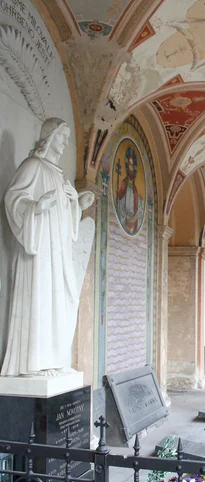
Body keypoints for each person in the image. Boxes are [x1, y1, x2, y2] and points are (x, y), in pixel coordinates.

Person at [1, 118, 94, 377]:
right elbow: (13, 199)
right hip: (40, 250)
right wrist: (35, 207)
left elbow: (67, 218)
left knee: (59, 300)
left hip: (59, 251)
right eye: (63, 136)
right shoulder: (33, 166)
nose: (65, 142)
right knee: (40, 299)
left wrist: (77, 204)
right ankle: (33, 364)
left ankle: (53, 359)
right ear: (50, 136)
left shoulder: (60, 175)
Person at [117, 145, 144, 234]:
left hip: (132, 216)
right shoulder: (124, 183)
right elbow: (120, 197)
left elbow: (136, 201)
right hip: (126, 215)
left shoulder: (135, 188)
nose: (131, 167)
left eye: (132, 164)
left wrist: (140, 200)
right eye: (129, 164)